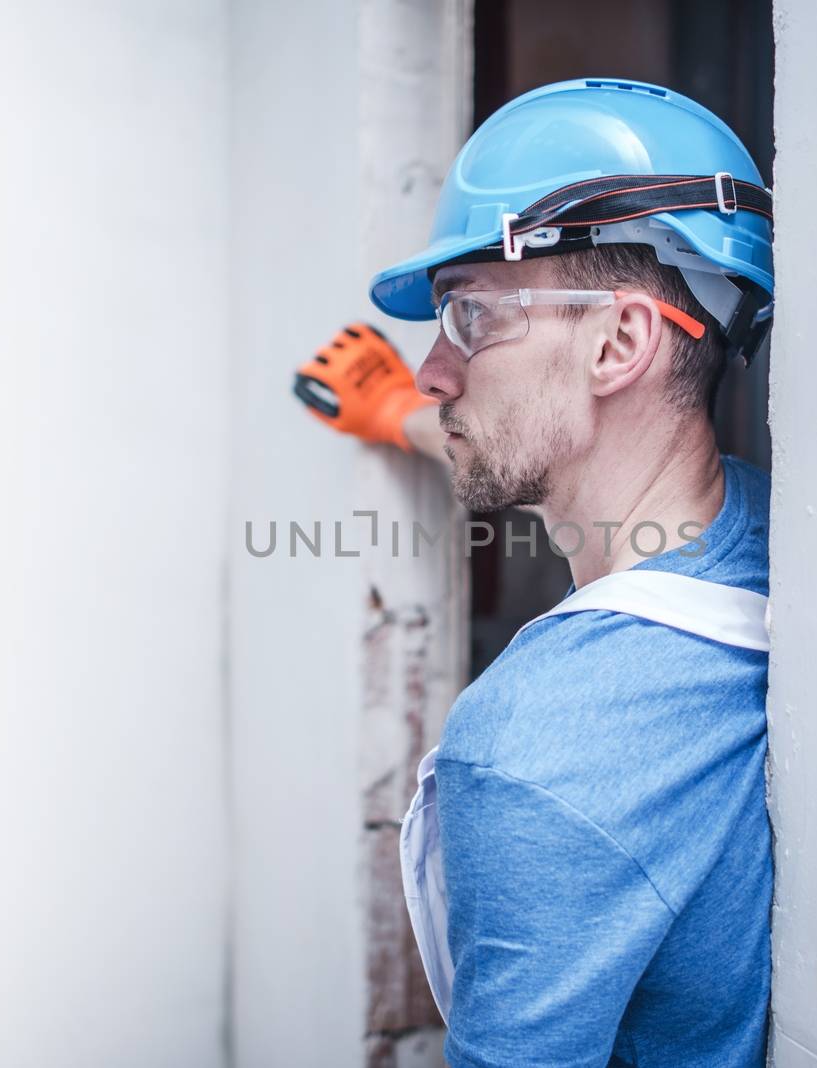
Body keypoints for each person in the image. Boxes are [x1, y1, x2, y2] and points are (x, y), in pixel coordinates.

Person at [295, 78, 776, 1068]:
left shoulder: (528, 753)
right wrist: (394, 420)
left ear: (621, 342)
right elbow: (544, 432)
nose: (430, 369)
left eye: (470, 317)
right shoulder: (771, 533)